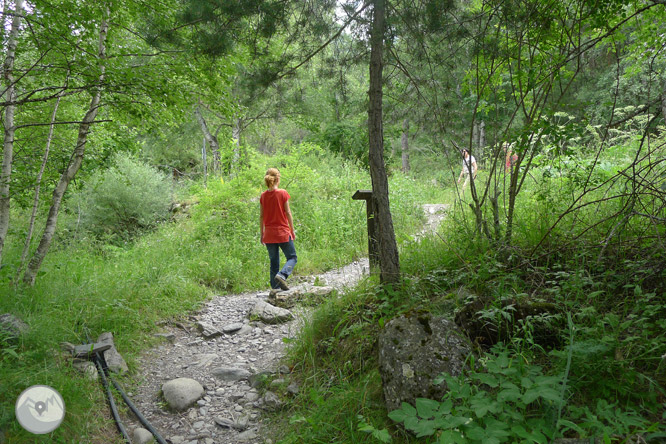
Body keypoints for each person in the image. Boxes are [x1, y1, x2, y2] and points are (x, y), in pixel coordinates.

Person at [260, 168, 297, 291]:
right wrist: (292, 229)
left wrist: (262, 234)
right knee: (292, 258)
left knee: (274, 262)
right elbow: (288, 212)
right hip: (282, 232)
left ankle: (275, 290)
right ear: (277, 179)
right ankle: (282, 275)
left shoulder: (263, 196)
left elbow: (261, 216)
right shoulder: (282, 193)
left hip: (269, 234)